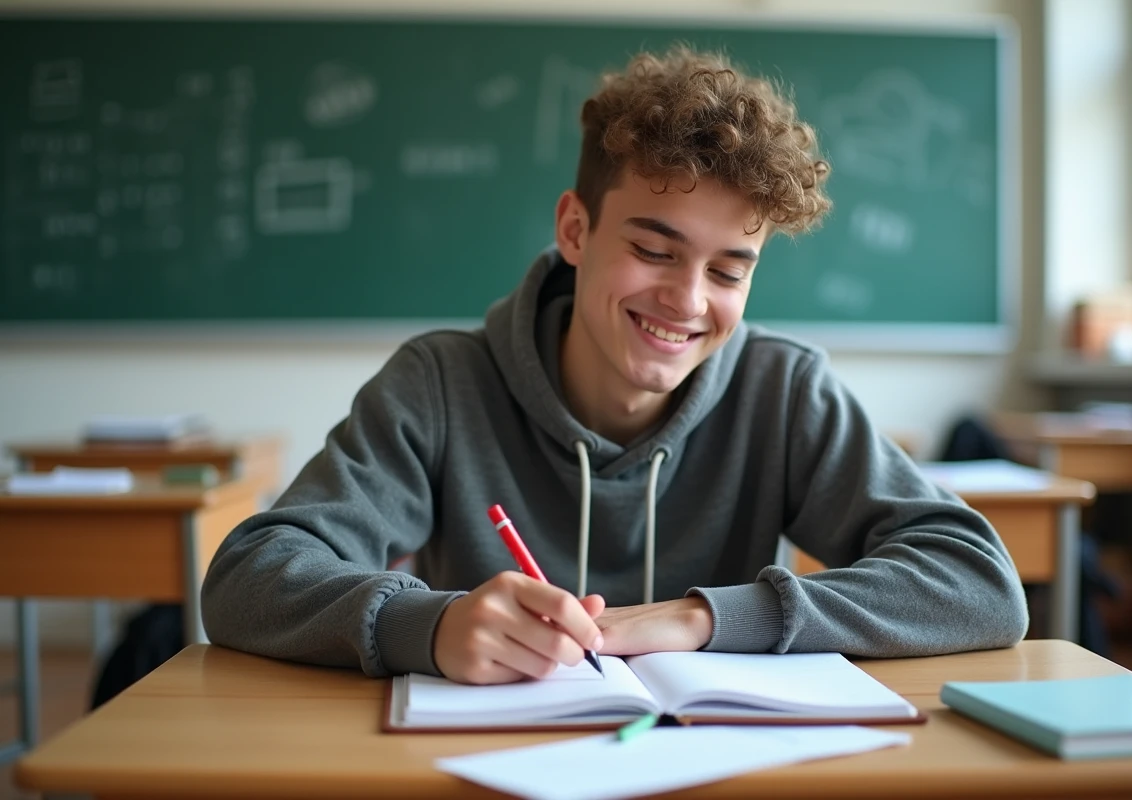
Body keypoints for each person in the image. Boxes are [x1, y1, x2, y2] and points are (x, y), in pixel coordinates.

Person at [201, 47, 1028, 685]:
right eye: (652, 249)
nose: (687, 300)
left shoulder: (783, 389)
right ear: (574, 231)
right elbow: (247, 575)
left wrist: (705, 619)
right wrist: (429, 625)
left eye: (729, 270)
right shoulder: (440, 385)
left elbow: (978, 581)